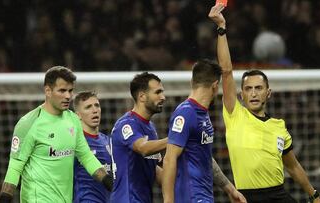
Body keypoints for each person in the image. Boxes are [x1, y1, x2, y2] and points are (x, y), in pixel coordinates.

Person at [209, 3, 320, 203]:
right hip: (247, 197)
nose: (253, 93)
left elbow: (293, 167)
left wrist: (314, 196)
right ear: (242, 95)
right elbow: (226, 71)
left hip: (279, 195)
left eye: (258, 88)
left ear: (268, 93)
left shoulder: (279, 127)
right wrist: (221, 29)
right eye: (248, 89)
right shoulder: (235, 114)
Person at [0, 66, 112, 203]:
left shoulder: (73, 120)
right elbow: (15, 167)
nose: (68, 96)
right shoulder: (29, 123)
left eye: (70, 91)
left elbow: (86, 156)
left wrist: (108, 181)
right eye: (62, 91)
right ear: (48, 91)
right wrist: (5, 198)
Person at [161, 58, 246, 202]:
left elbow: (205, 157)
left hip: (204, 196)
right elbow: (169, 159)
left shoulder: (202, 113)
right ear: (215, 86)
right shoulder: (185, 113)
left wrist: (230, 189)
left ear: (192, 82)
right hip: (191, 196)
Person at [110, 72, 168, 203]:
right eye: (158, 92)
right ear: (142, 96)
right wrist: (176, 138)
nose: (163, 97)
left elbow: (153, 168)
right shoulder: (126, 124)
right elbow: (142, 148)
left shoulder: (151, 128)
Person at [72, 91, 112, 203]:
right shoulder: (75, 142)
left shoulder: (108, 141)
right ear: (78, 115)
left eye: (97, 105)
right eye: (88, 107)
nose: (94, 110)